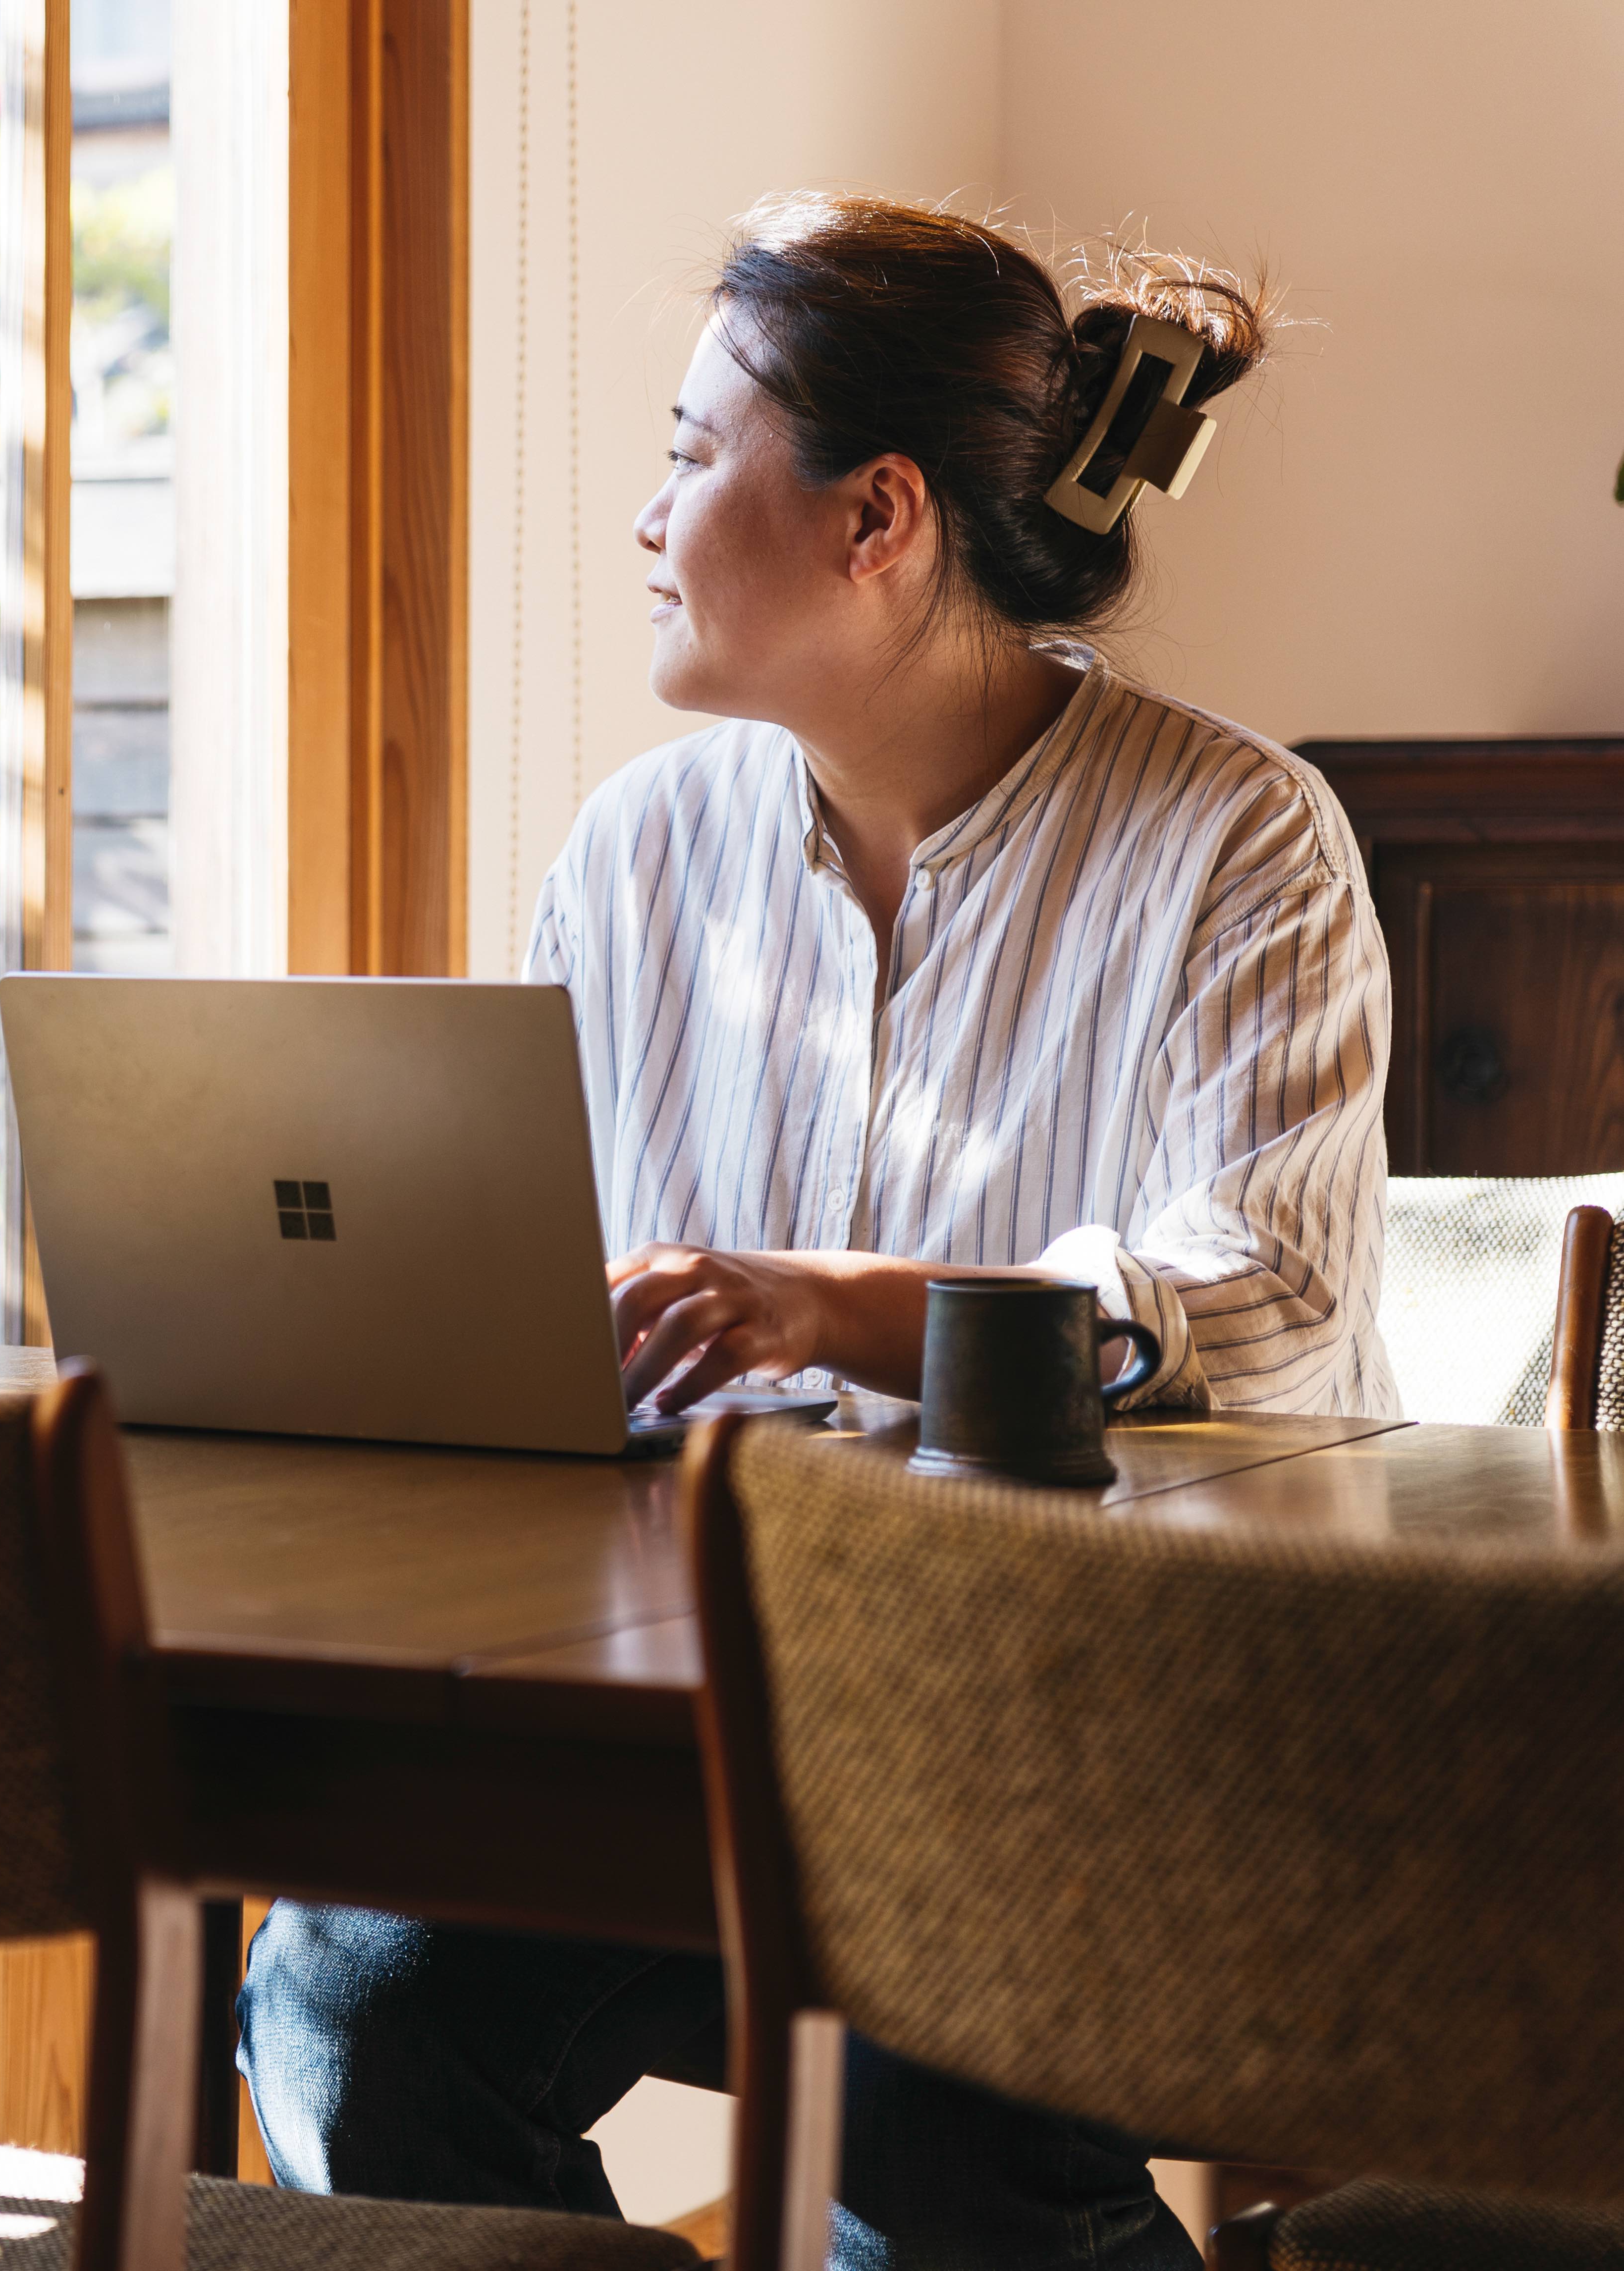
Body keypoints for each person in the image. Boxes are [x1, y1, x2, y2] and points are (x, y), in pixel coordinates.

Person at [238, 194, 1392, 2271]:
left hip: (1097, 1774)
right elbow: (558, 1293)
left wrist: (833, 1308)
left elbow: (1279, 1304)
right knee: (346, 2007)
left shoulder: (1239, 836)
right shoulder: (635, 851)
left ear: (876, 519)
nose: (650, 514)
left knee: (937, 2112)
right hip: (692, 1753)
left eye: (694, 454)